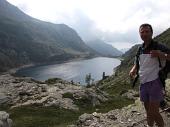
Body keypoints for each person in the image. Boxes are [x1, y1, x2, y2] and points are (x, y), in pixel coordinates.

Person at [129, 23, 170, 127]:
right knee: (148, 111)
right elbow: (138, 62)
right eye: (142, 32)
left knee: (154, 112)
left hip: (155, 82)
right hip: (143, 83)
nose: (144, 34)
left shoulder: (158, 46)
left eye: (147, 31)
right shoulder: (140, 49)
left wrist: (161, 54)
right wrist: (133, 69)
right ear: (139, 34)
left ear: (151, 33)